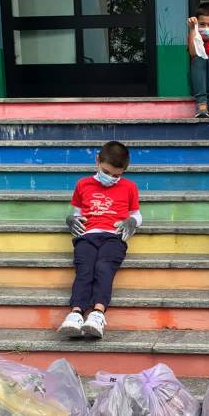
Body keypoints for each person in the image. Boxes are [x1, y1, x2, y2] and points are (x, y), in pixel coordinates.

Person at [59, 141, 141, 340]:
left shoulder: (129, 187)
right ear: (97, 160)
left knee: (104, 267)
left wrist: (132, 221)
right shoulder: (83, 184)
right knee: (85, 268)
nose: (111, 178)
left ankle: (97, 313)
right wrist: (71, 220)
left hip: (113, 236)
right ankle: (76, 313)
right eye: (107, 172)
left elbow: (137, 214)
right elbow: (77, 214)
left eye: (117, 175)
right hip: (87, 236)